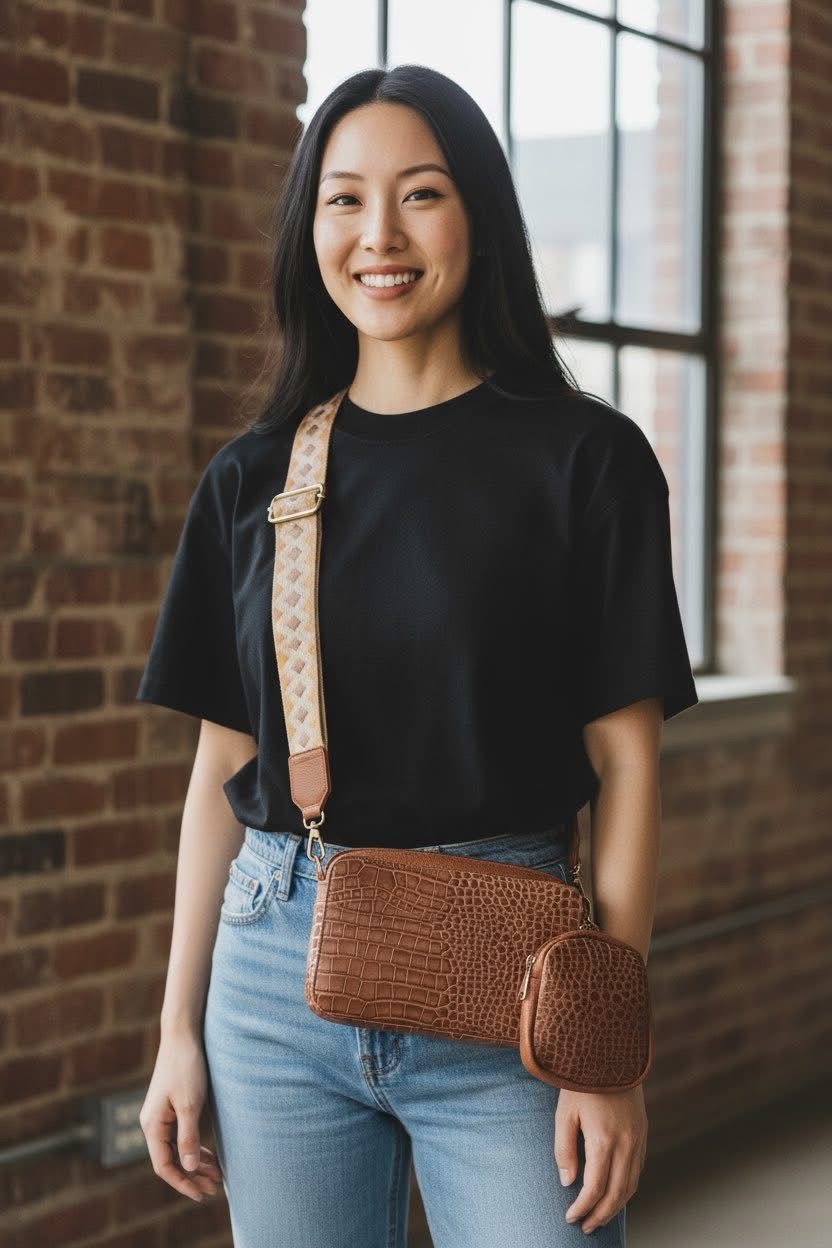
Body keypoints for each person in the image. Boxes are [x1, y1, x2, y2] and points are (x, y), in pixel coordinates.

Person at [136, 64, 698, 1248]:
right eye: (343, 199)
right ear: (310, 231)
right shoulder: (251, 479)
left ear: (478, 217)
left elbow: (628, 766)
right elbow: (219, 773)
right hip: (273, 979)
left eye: (420, 194)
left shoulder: (586, 460)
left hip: (515, 977)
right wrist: (178, 1029)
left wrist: (601, 1047)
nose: (378, 236)